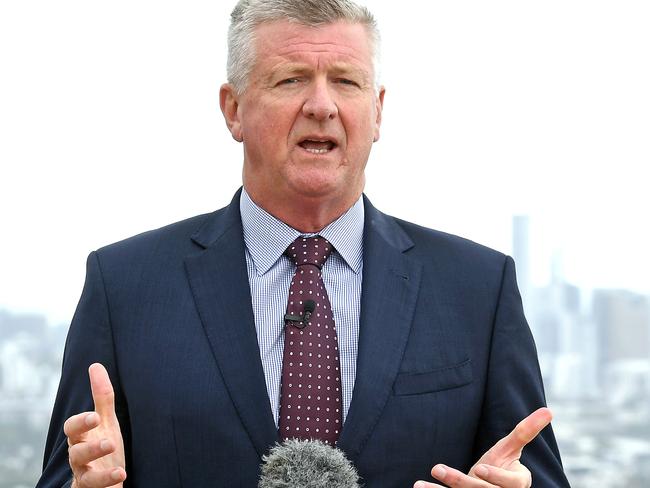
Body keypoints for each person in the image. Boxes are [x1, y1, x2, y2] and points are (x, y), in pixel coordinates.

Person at [37, 1, 570, 487]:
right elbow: (67, 477)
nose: (322, 105)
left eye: (345, 81)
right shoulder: (125, 285)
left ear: (378, 110)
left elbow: (536, 476)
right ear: (233, 110)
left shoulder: (478, 287)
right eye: (291, 80)